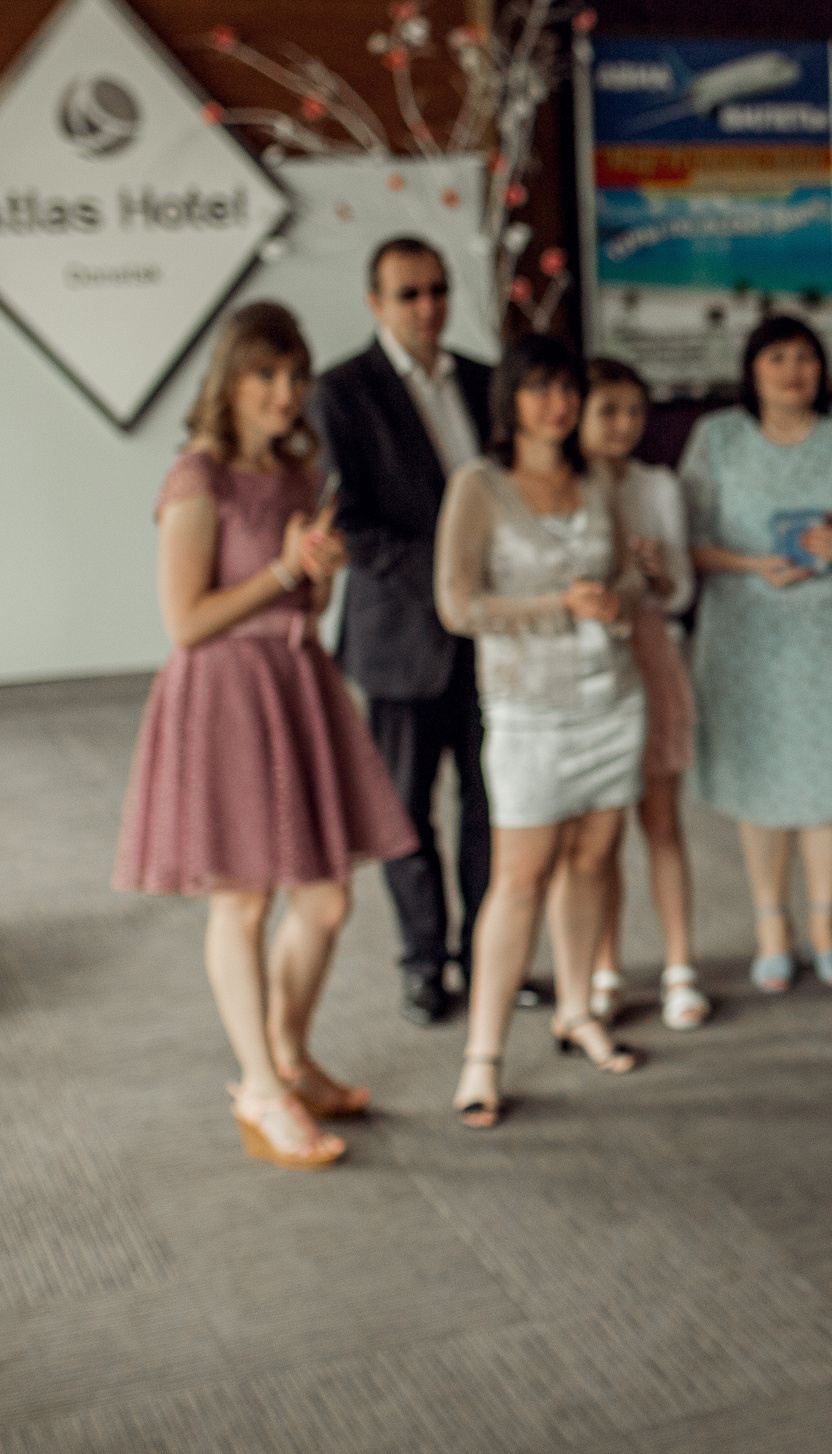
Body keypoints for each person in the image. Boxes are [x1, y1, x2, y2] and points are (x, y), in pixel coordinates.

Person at [114, 301, 416, 1171]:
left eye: (295, 375)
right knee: (242, 899)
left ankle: (284, 1054)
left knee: (324, 899)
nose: (286, 394)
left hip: (295, 679)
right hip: (224, 692)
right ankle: (258, 1084)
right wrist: (285, 569)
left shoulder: (298, 469)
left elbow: (303, 603)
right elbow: (186, 620)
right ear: (231, 381)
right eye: (266, 376)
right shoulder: (195, 477)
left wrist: (317, 576)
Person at [436, 335, 653, 1127]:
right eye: (539, 390)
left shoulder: (598, 476)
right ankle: (483, 1053)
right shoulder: (479, 486)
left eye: (567, 390)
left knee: (595, 857)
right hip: (528, 708)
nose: (557, 405)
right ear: (511, 402)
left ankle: (576, 1008)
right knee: (519, 876)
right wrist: (557, 605)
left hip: (613, 697)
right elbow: (457, 605)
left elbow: (626, 575)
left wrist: (619, 594)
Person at [679, 316, 832, 993]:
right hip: (744, 631)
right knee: (760, 778)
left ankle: (825, 924)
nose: (794, 369)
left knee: (828, 778)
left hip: (830, 630)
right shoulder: (716, 437)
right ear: (752, 369)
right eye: (777, 357)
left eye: (806, 356)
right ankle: (772, 924)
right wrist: (751, 563)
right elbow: (684, 538)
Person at [310, 236, 495, 1028]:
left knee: (494, 803)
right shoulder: (341, 392)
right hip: (400, 637)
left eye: (437, 290)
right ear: (376, 302)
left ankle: (490, 955)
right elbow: (347, 521)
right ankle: (424, 961)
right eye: (409, 293)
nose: (428, 307)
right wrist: (449, 582)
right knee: (406, 810)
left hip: (491, 636)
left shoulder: (485, 381)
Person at [553, 356, 710, 1032]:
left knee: (662, 822)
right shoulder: (561, 487)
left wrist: (659, 573)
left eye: (633, 411)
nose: (622, 425)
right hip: (589, 668)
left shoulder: (658, 484)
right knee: (599, 834)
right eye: (607, 410)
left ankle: (680, 966)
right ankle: (607, 967)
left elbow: (683, 593)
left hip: (651, 654)